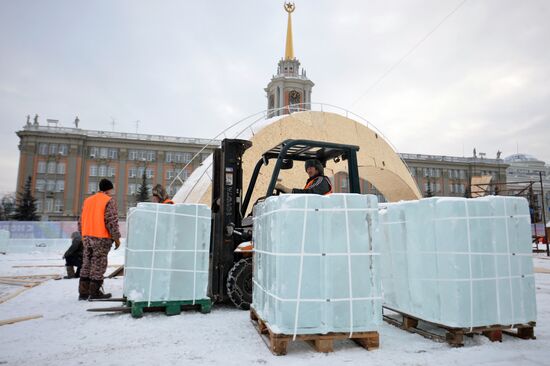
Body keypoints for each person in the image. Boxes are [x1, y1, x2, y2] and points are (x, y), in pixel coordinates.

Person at [78, 179, 121, 300]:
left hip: (87, 237)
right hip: (101, 238)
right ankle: (95, 292)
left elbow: (80, 220)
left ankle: (83, 292)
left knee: (86, 263)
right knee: (98, 264)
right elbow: (111, 221)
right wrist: (116, 238)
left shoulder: (88, 200)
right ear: (109, 189)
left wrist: (83, 235)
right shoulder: (108, 200)